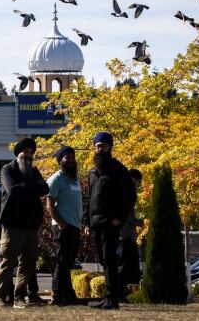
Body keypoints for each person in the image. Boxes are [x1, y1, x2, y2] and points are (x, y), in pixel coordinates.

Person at [0, 138, 50, 308]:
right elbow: (12, 190)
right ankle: (1, 298)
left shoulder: (34, 170)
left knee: (28, 263)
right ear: (17, 153)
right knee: (7, 262)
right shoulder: (7, 169)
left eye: (31, 152)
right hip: (12, 225)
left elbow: (45, 189)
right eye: (25, 151)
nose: (28, 155)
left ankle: (19, 297)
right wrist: (33, 187)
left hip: (31, 226)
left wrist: (26, 187)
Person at [84, 132, 136, 310]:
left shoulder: (119, 170)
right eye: (98, 146)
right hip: (95, 223)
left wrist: (119, 218)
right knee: (104, 261)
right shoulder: (92, 172)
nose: (101, 149)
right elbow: (90, 198)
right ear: (94, 147)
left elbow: (130, 197)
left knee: (110, 260)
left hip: (110, 223)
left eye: (104, 146)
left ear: (110, 148)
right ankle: (108, 297)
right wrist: (86, 222)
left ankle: (113, 299)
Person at [46, 146, 85, 306]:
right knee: (62, 262)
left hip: (74, 225)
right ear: (59, 161)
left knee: (68, 263)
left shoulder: (74, 178)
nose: (70, 160)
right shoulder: (56, 179)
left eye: (72, 157)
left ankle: (67, 296)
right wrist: (61, 224)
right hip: (62, 226)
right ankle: (57, 296)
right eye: (66, 157)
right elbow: (50, 205)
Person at [118, 169, 143, 301]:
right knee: (125, 266)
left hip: (129, 236)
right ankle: (118, 292)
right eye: (136, 182)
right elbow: (126, 215)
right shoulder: (124, 193)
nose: (137, 185)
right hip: (124, 236)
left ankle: (121, 291)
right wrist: (140, 222)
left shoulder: (128, 193)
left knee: (132, 267)